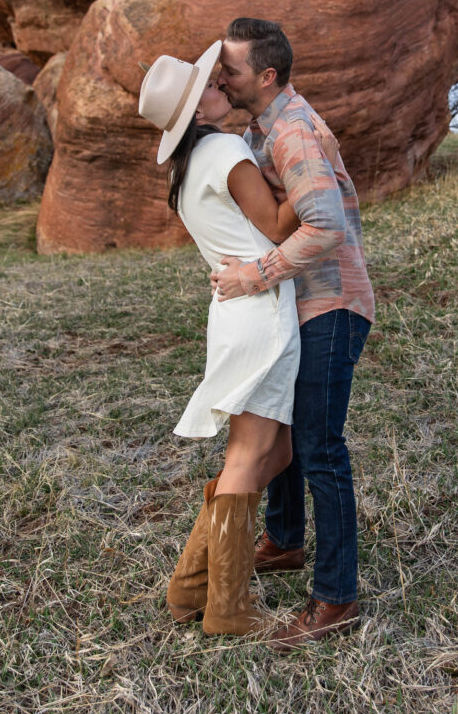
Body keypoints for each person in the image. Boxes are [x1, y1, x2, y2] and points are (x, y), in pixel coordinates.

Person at [137, 40, 337, 639]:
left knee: (275, 453)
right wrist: (303, 170)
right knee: (251, 455)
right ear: (197, 111)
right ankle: (227, 609)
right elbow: (280, 225)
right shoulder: (225, 148)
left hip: (235, 312)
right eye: (209, 85)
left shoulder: (191, 166)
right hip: (261, 309)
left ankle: (192, 590)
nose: (219, 83)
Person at [212, 17, 375, 652]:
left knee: (318, 445)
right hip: (299, 302)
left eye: (231, 68)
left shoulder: (293, 131)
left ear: (267, 76)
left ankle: (336, 597)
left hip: (330, 302)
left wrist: (256, 275)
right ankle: (283, 539)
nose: (222, 76)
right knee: (280, 416)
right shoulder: (262, 127)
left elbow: (325, 225)